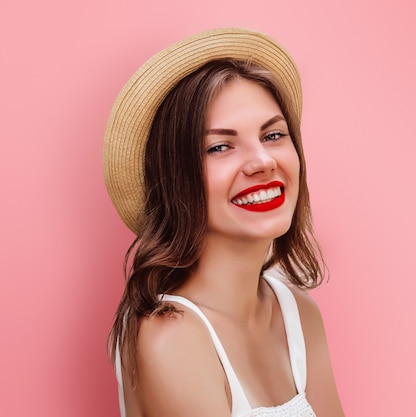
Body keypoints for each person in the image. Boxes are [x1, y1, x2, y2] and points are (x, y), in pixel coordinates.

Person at [103, 28, 345, 417]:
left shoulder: (298, 312)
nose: (262, 161)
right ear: (175, 177)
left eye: (273, 134)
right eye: (220, 146)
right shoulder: (171, 336)